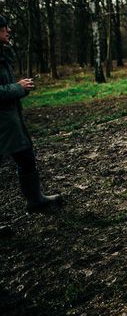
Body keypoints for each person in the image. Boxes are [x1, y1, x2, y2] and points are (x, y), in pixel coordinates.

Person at [0, 15, 63, 237]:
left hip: (10, 120)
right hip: (3, 122)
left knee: (26, 157)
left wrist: (22, 88)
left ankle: (35, 200)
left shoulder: (4, 54)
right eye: (4, 28)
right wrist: (18, 88)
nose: (8, 31)